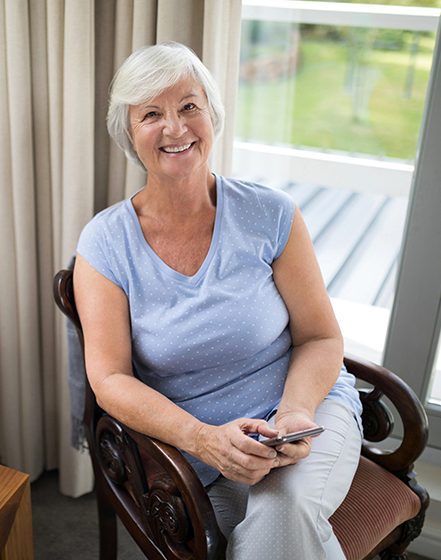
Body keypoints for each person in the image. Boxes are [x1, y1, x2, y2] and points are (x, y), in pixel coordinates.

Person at [74, 41, 363, 559]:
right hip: (195, 450)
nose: (176, 128)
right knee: (273, 542)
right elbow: (109, 378)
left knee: (282, 511)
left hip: (304, 412)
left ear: (212, 114)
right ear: (128, 131)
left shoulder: (271, 214)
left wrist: (295, 412)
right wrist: (204, 439)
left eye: (189, 106)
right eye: (152, 114)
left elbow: (321, 336)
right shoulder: (105, 244)